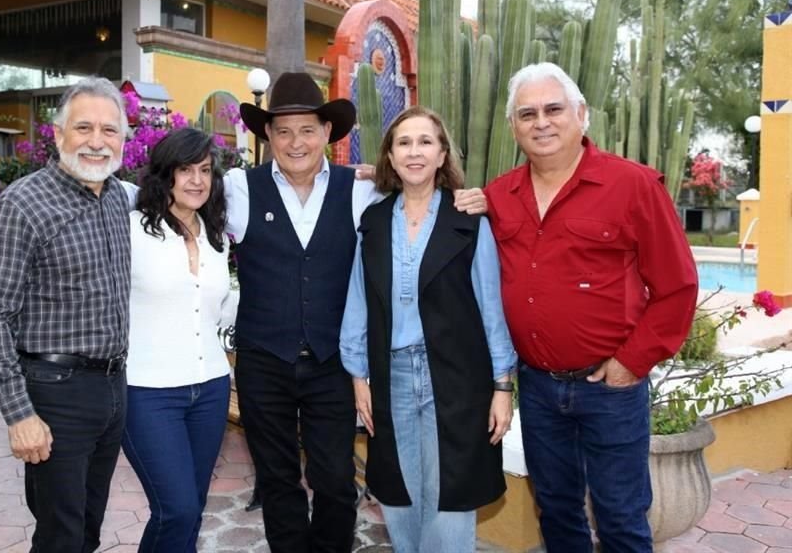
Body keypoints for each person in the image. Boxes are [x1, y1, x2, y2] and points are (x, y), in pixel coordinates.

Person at [227, 72, 486, 553]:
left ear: (328, 133)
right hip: (264, 360)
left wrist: (481, 199)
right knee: (277, 479)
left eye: (307, 130)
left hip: (332, 365)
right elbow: (180, 205)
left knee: (335, 480)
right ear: (267, 136)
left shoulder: (360, 189)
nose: (295, 142)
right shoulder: (238, 188)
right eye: (283, 131)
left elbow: (422, 202)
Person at [484, 62, 698, 552]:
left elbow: (678, 286)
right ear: (513, 127)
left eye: (553, 109)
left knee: (620, 516)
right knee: (557, 510)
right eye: (527, 113)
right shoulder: (500, 195)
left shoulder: (633, 186)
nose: (541, 122)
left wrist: (631, 362)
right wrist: (381, 178)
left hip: (611, 388)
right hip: (538, 388)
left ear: (581, 114)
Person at [339, 106, 516, 553]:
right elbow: (358, 301)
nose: (414, 151)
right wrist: (358, 376)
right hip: (390, 375)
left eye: (425, 142)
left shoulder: (469, 222)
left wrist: (502, 386)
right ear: (391, 158)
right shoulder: (374, 223)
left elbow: (491, 307)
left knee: (450, 495)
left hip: (456, 377)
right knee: (398, 491)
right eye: (403, 143)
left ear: (441, 155)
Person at [0, 77, 132, 553]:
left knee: (87, 529)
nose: (97, 141)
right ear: (58, 134)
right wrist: (19, 414)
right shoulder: (22, 205)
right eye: (83, 127)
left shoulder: (118, 197)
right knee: (60, 535)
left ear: (123, 139)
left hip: (112, 387)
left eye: (109, 129)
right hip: (54, 393)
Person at [123, 128, 235, 552]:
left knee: (192, 507)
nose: (196, 181)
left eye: (205, 171)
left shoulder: (216, 237)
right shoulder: (132, 230)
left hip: (210, 387)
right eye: (185, 170)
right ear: (164, 175)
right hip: (147, 392)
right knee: (177, 509)